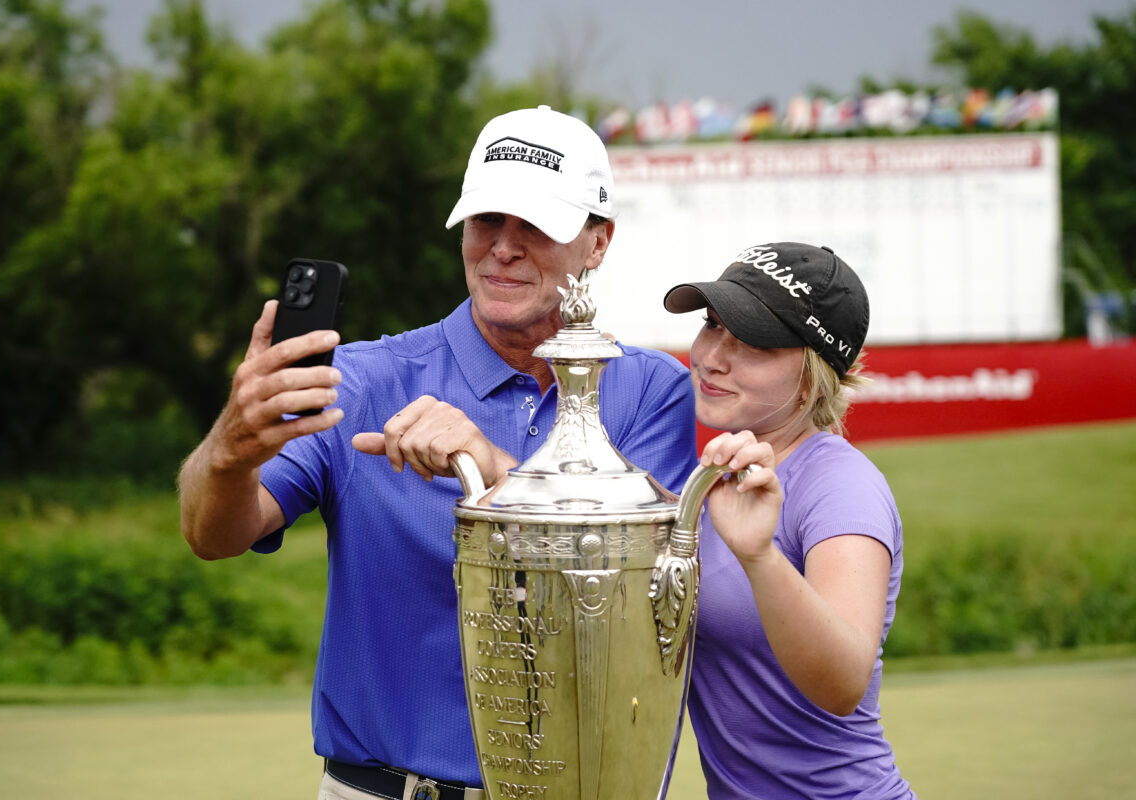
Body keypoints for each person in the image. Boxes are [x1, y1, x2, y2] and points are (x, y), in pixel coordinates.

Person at [177, 105, 698, 800]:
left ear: (597, 242)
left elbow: (642, 592)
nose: (503, 248)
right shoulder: (362, 379)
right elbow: (214, 534)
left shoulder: (651, 389)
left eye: (536, 226)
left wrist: (490, 464)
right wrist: (229, 450)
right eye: (487, 222)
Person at [662, 242, 916, 799]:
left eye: (750, 342)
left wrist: (761, 558)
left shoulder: (840, 484)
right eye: (712, 324)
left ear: (810, 377)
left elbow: (845, 679)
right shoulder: (715, 479)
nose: (712, 356)